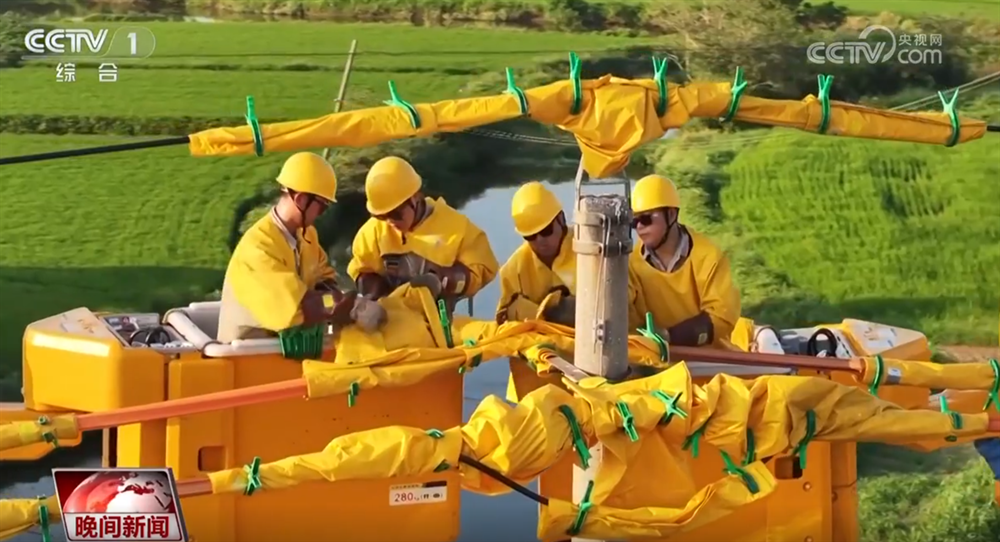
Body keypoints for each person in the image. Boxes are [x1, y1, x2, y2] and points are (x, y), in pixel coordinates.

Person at [217, 152, 386, 343]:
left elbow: (323, 277)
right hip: (246, 349)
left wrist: (338, 298)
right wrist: (345, 305)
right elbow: (294, 310)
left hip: (283, 344)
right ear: (302, 199)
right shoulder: (259, 248)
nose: (322, 213)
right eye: (322, 206)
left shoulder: (306, 236)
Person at [348, 156, 499, 310]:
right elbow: (362, 268)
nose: (389, 221)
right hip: (391, 316)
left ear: (415, 198)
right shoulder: (373, 232)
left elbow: (483, 270)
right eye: (381, 216)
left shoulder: (456, 228)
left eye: (395, 214)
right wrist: (373, 295)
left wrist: (447, 280)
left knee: (444, 317)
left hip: (438, 316)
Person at [627, 174, 740, 348]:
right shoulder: (630, 264)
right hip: (657, 359)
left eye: (646, 219)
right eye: (634, 221)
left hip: (708, 356)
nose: (640, 227)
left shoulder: (709, 257)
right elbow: (626, 319)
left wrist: (669, 336)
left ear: (671, 214)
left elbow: (722, 318)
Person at [495, 181, 576, 326]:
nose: (540, 240)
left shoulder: (591, 252)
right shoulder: (512, 271)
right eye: (530, 236)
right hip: (536, 339)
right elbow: (503, 322)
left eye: (546, 231)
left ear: (561, 219)